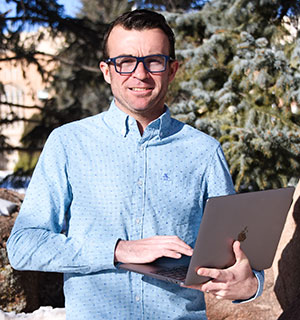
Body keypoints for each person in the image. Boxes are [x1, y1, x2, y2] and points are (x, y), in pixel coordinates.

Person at [7, 9, 264, 320]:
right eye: (125, 62)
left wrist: (250, 284)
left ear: (172, 69)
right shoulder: (67, 144)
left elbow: (238, 257)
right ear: (106, 70)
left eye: (154, 61)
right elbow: (23, 246)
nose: (140, 75)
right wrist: (118, 250)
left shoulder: (204, 152)